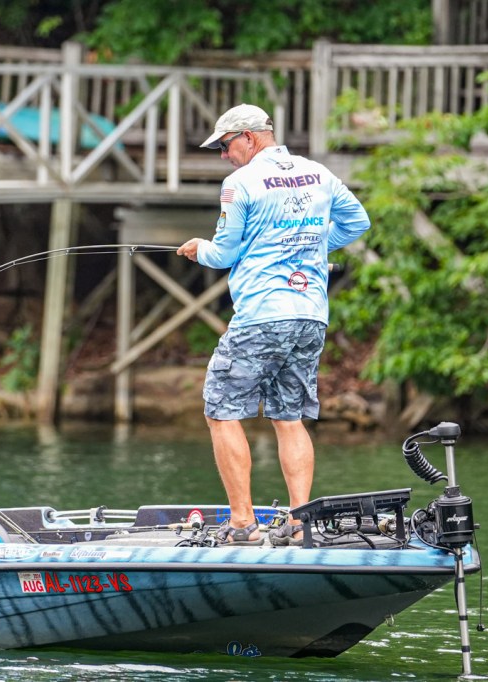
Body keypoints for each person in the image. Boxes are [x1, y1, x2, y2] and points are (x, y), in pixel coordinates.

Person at [176, 104, 370, 546]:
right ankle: (299, 522)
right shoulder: (318, 173)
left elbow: (223, 254)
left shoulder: (240, 183)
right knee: (289, 416)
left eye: (226, 145)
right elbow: (358, 222)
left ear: (249, 137)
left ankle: (242, 523)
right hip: (310, 315)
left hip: (263, 315)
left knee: (220, 409)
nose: (224, 155)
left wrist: (199, 248)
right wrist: (312, 249)